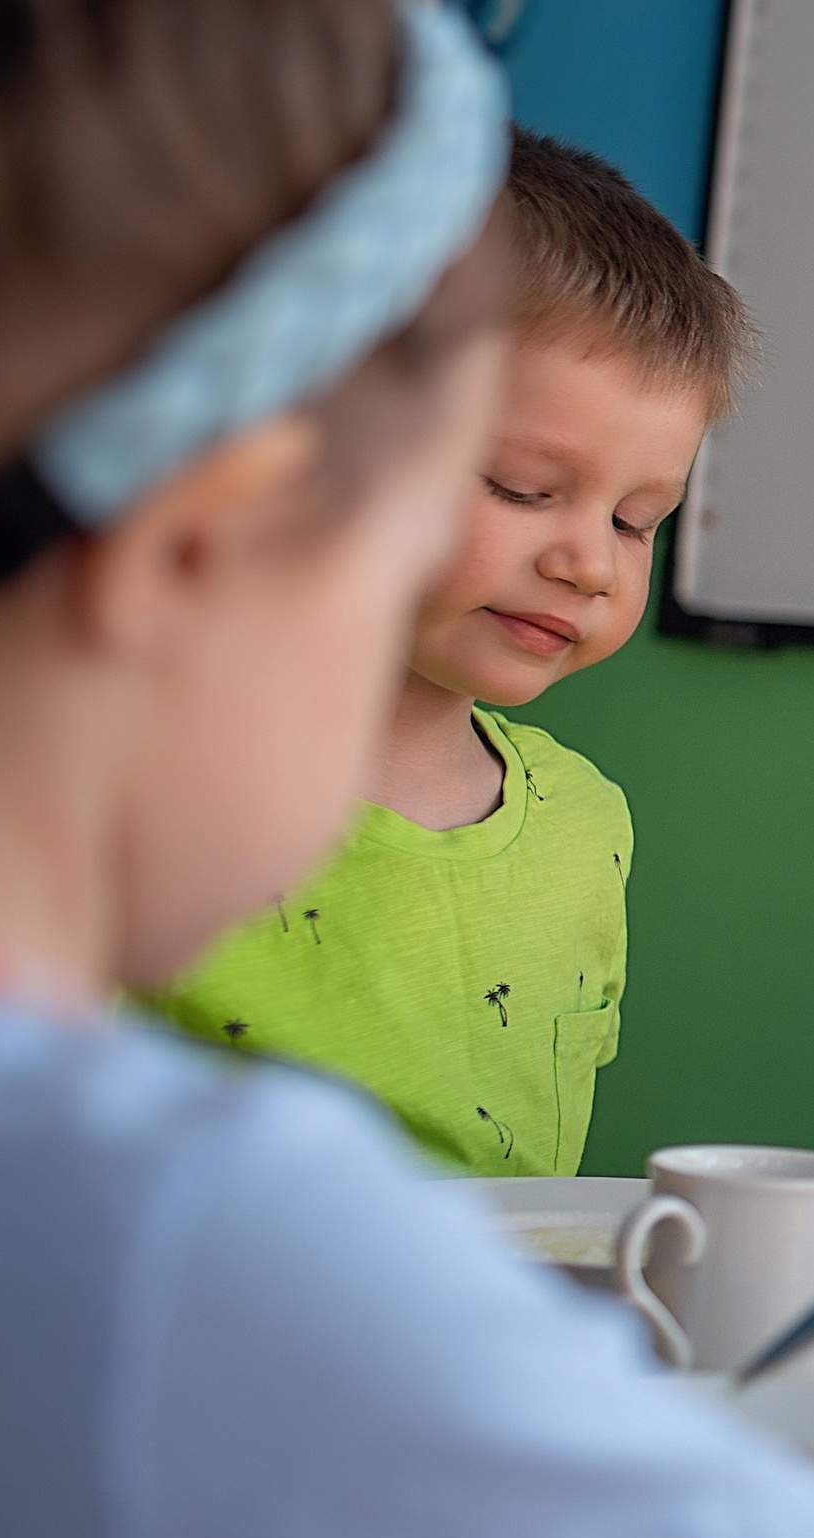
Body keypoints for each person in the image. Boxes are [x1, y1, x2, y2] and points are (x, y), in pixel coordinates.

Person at [0, 6, 814, 1538]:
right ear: (196, 548)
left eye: (638, 521)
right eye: (433, 526)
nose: (578, 563)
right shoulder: (192, 1245)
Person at [141, 127, 743, 1178]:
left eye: (636, 522)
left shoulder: (588, 825)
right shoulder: (139, 788)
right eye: (522, 488)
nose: (588, 564)